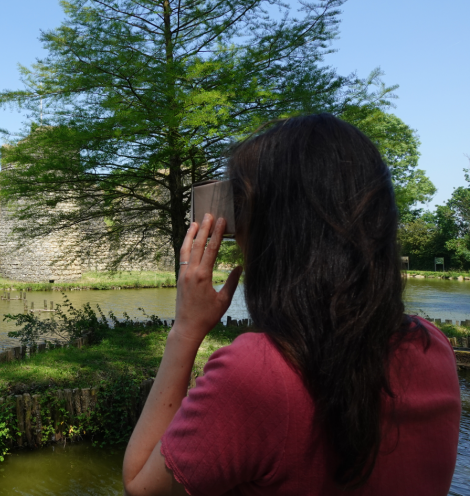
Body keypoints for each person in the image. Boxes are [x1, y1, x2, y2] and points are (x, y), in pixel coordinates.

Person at [122, 114, 461, 495]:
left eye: (241, 208)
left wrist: (185, 330)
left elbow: (139, 486)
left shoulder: (254, 374)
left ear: (275, 231)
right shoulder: (433, 349)